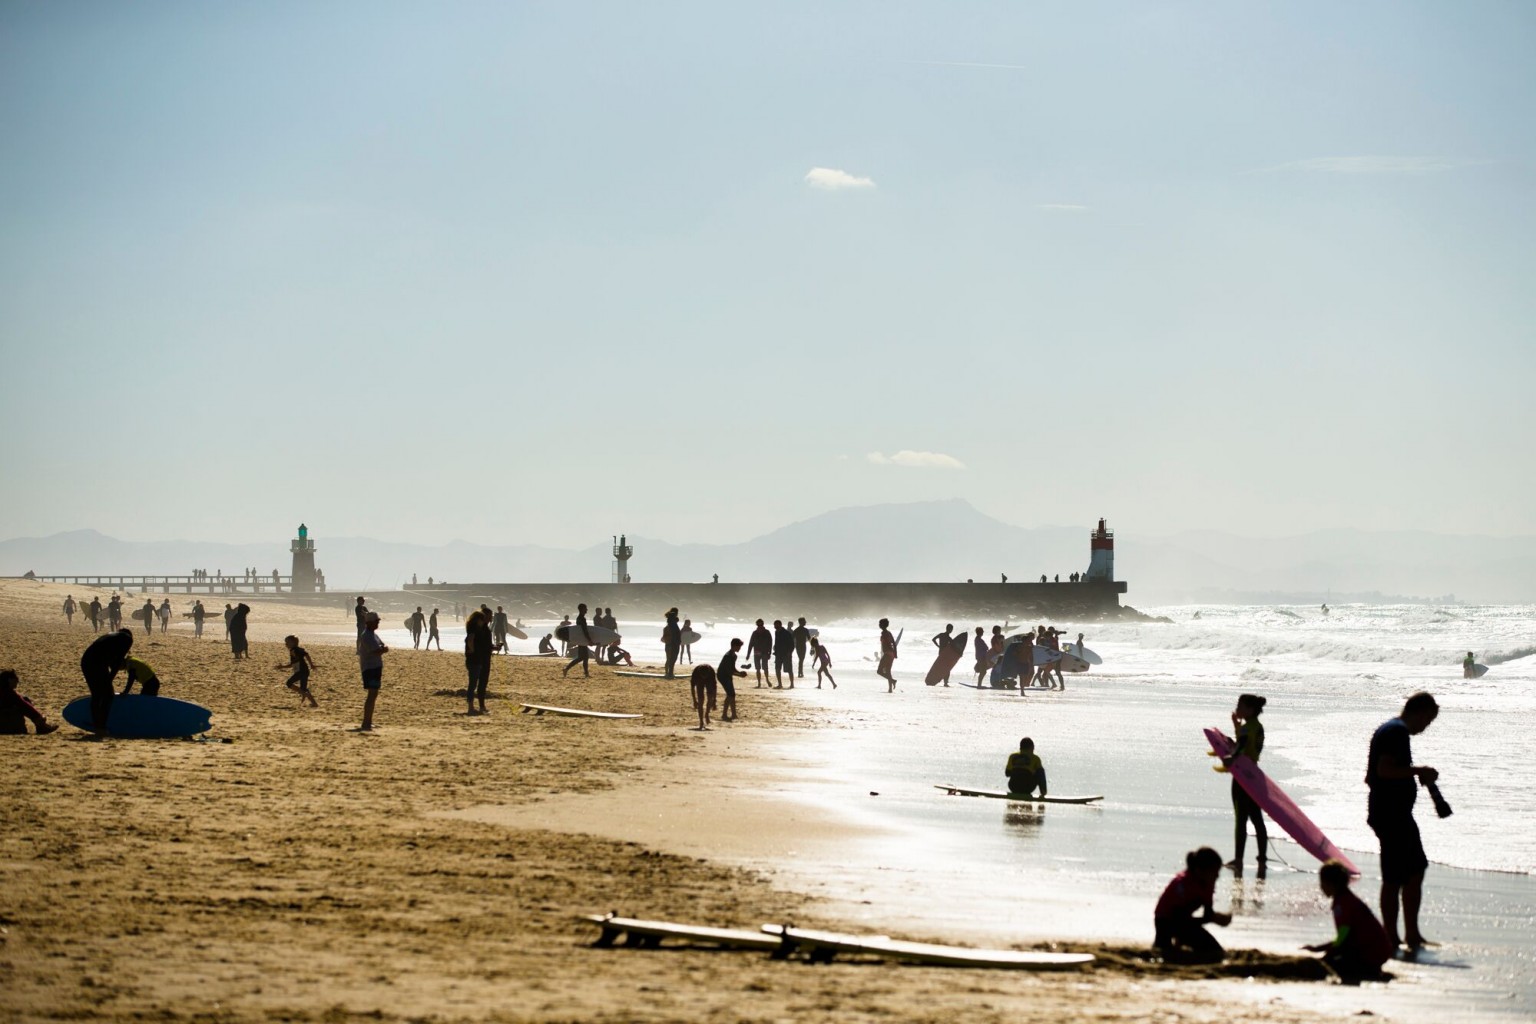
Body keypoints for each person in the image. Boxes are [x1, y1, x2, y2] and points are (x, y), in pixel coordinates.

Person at [1366, 691, 1440, 951]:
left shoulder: (1392, 730)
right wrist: (1420, 771)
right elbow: (1383, 770)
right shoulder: (1396, 732)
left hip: (1392, 813)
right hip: (1391, 815)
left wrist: (1411, 774)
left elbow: (1375, 774)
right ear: (1418, 712)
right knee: (1396, 877)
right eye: (1428, 720)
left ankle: (1409, 934)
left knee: (1414, 871)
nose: (1426, 726)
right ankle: (1393, 936)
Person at [1303, 860, 1394, 982]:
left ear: (1332, 884)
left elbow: (1344, 938)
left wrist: (1325, 958)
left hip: (1372, 952)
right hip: (1380, 950)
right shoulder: (1347, 899)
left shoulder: (1343, 904)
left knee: (1332, 966)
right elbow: (1344, 937)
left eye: (1322, 883)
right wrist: (1319, 948)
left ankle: (1368, 970)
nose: (1321, 887)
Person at [1153, 847, 1232, 964]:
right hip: (1165, 922)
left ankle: (1181, 943)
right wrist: (1212, 919)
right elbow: (1178, 919)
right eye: (1214, 872)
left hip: (1185, 922)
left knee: (1216, 952)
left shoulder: (1208, 884)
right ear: (1199, 870)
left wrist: (1217, 918)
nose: (1217, 876)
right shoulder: (1183, 884)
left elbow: (1207, 914)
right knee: (1163, 953)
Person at [1224, 693, 1269, 877]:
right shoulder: (1258, 727)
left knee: (1241, 820)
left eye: (1240, 705)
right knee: (1257, 820)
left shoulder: (1246, 729)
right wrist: (1237, 726)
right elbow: (1247, 743)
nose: (1237, 708)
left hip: (1242, 777)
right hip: (1255, 776)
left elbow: (1241, 747)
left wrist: (1231, 757)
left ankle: (1239, 860)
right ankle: (1262, 861)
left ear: (1250, 710)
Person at [80, 629, 134, 734]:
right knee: (108, 695)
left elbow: (111, 659)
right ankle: (101, 727)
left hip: (86, 661)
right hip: (97, 663)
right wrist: (109, 681)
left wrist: (108, 681)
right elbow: (116, 663)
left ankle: (97, 725)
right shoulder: (127, 639)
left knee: (96, 695)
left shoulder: (111, 637)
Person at [1, 669, 59, 735]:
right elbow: (23, 704)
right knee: (23, 703)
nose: (17, 682)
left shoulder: (5, 690)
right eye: (16, 679)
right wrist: (38, 717)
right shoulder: (8, 693)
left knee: (25, 699)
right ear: (10, 680)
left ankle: (40, 724)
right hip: (5, 717)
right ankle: (40, 725)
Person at [356, 611, 388, 731]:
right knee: (372, 694)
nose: (377, 623)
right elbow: (376, 650)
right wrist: (383, 650)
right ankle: (366, 722)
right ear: (369, 622)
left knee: (373, 694)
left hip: (375, 667)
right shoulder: (367, 636)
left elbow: (381, 645)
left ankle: (368, 721)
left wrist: (382, 649)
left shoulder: (372, 634)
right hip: (370, 668)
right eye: (376, 622)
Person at [276, 635, 319, 707]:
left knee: (289, 683)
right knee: (303, 689)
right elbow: (292, 664)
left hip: (301, 671)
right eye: (285, 642)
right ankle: (314, 703)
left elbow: (306, 655)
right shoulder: (294, 650)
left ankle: (304, 694)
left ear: (293, 643)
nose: (286, 644)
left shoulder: (295, 650)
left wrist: (311, 664)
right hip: (305, 671)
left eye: (287, 642)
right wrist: (282, 667)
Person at [464, 608, 493, 714]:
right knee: (474, 683)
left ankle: (478, 706)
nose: (490, 618)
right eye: (489, 616)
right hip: (476, 658)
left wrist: (492, 647)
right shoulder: (475, 628)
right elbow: (470, 639)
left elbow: (482, 643)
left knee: (480, 682)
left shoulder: (481, 628)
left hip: (480, 658)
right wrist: (472, 649)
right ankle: (471, 707)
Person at [716, 638, 747, 722]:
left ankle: (732, 714)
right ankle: (726, 714)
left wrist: (739, 673)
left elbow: (733, 668)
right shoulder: (728, 656)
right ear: (734, 646)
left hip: (727, 675)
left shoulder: (734, 656)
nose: (739, 648)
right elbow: (728, 670)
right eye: (738, 646)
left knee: (731, 694)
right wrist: (739, 675)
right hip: (722, 675)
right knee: (731, 694)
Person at [562, 604, 595, 678]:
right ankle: (567, 668)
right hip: (582, 640)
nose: (587, 610)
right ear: (582, 609)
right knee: (583, 657)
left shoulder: (579, 618)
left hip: (581, 639)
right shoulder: (581, 618)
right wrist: (589, 640)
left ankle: (585, 673)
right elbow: (584, 630)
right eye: (586, 608)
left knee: (583, 657)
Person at [690, 664, 717, 730]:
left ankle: (707, 714)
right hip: (699, 681)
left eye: (705, 676)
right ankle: (701, 721)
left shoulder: (711, 672)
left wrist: (714, 700)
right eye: (703, 676)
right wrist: (694, 700)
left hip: (709, 681)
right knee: (700, 700)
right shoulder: (696, 673)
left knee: (710, 697)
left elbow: (714, 688)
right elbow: (692, 688)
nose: (704, 678)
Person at [748, 619, 772, 687]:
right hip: (759, 652)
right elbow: (751, 644)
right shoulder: (756, 633)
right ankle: (761, 682)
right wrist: (748, 654)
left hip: (762, 652)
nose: (760, 626)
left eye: (760, 624)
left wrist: (769, 653)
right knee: (760, 668)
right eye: (759, 625)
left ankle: (765, 681)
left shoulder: (765, 632)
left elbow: (770, 643)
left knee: (763, 668)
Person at [772, 619, 794, 689]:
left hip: (786, 654)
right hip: (778, 654)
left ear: (780, 625)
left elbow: (792, 644)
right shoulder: (776, 632)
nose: (775, 626)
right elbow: (777, 641)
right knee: (777, 669)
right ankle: (780, 684)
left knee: (789, 670)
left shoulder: (786, 633)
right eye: (774, 625)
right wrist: (775, 647)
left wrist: (790, 652)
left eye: (776, 625)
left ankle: (792, 684)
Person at [878, 618, 898, 692]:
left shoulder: (884, 634)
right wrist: (895, 654)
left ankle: (892, 680)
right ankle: (890, 689)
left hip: (887, 654)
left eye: (880, 624)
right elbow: (894, 643)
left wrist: (888, 651)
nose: (879, 625)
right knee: (888, 671)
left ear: (883, 625)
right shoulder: (889, 633)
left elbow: (888, 644)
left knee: (879, 671)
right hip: (891, 654)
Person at [662, 607, 682, 679]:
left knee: (669, 659)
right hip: (673, 644)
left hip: (669, 644)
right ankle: (670, 674)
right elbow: (674, 634)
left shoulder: (669, 624)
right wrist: (677, 642)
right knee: (672, 659)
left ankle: (668, 673)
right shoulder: (673, 624)